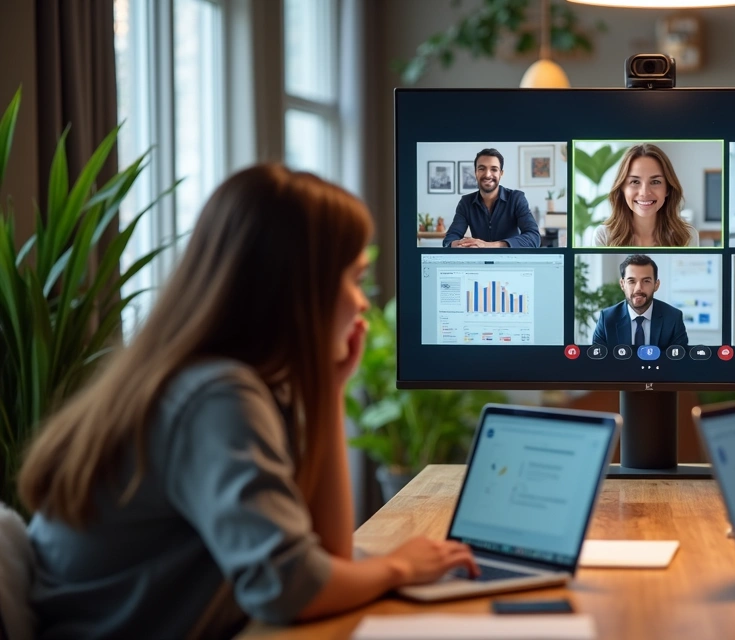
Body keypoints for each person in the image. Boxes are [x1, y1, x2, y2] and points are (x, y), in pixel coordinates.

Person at [19, 165, 479, 639]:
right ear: (300, 286)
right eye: (355, 279)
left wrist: (327, 388)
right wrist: (397, 569)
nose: (363, 303)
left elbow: (326, 559)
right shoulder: (215, 396)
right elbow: (289, 589)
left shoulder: (213, 381)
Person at [592, 143, 698, 247]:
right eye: (635, 182)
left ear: (668, 189)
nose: (644, 192)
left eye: (655, 182)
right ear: (622, 188)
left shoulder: (687, 236)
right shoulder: (603, 236)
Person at [443, 148, 539, 248]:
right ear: (475, 172)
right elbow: (450, 239)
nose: (488, 175)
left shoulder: (516, 198)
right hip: (480, 261)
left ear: (501, 173)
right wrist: (462, 245)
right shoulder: (466, 202)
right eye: (482, 169)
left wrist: (487, 245)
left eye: (494, 169)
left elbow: (534, 238)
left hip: (510, 261)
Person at [591, 254, 689, 349]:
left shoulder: (673, 318)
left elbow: (678, 362)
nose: (638, 288)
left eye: (646, 281)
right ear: (622, 284)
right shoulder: (606, 319)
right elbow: (598, 362)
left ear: (656, 284)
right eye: (631, 281)